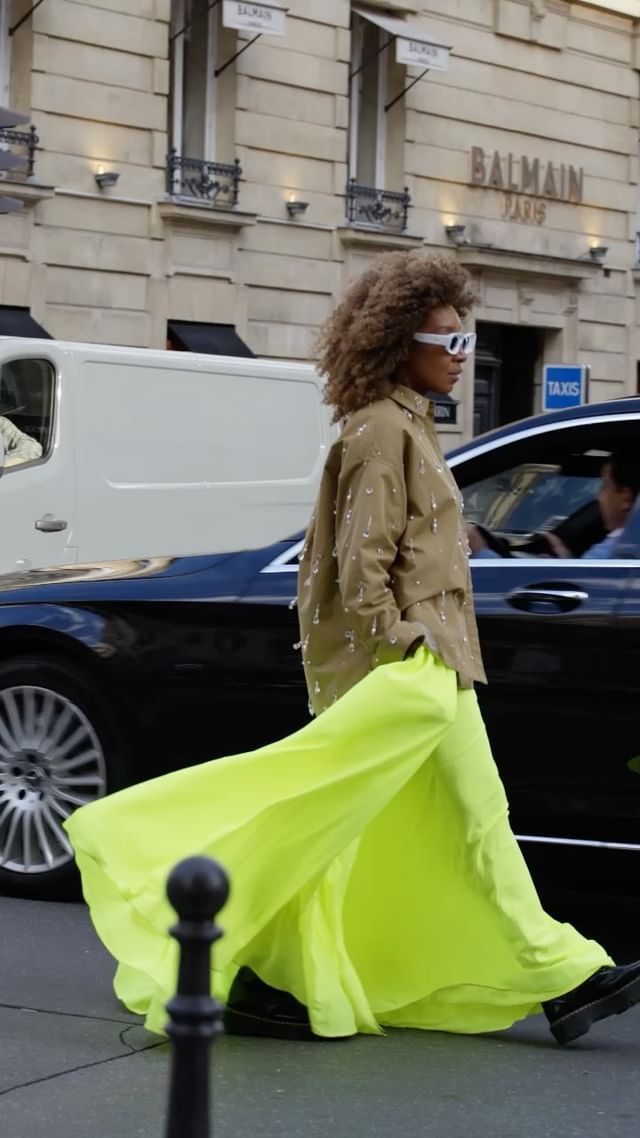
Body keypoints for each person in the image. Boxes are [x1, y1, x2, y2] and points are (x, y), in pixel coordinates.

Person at [65, 252, 640, 1048]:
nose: (460, 357)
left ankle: (564, 978)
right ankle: (181, 890)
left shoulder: (407, 426)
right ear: (400, 344)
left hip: (438, 663)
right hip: (411, 668)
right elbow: (356, 566)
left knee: (465, 822)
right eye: (449, 342)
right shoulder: (378, 432)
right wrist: (405, 648)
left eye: (466, 342)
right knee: (339, 815)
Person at [469, 450, 640, 561]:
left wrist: (479, 549)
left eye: (605, 486)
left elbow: (500, 585)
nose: (599, 497)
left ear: (625, 498)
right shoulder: (624, 546)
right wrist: (567, 560)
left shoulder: (618, 550)